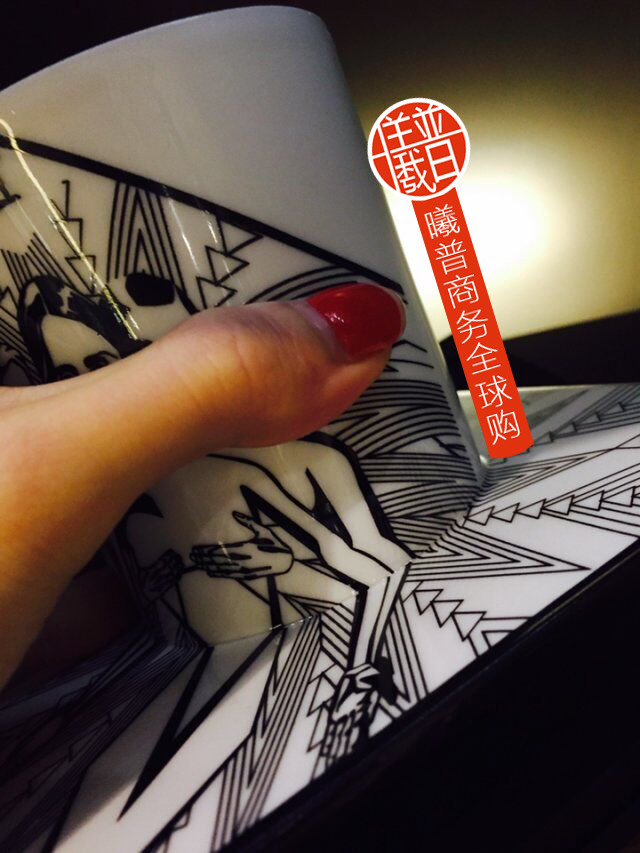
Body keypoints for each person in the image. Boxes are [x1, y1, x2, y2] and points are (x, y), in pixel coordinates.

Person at [0, 282, 405, 690]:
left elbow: (376, 560)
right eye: (64, 376)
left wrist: (296, 563)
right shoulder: (132, 520)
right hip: (237, 684)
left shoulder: (299, 463)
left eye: (104, 363)